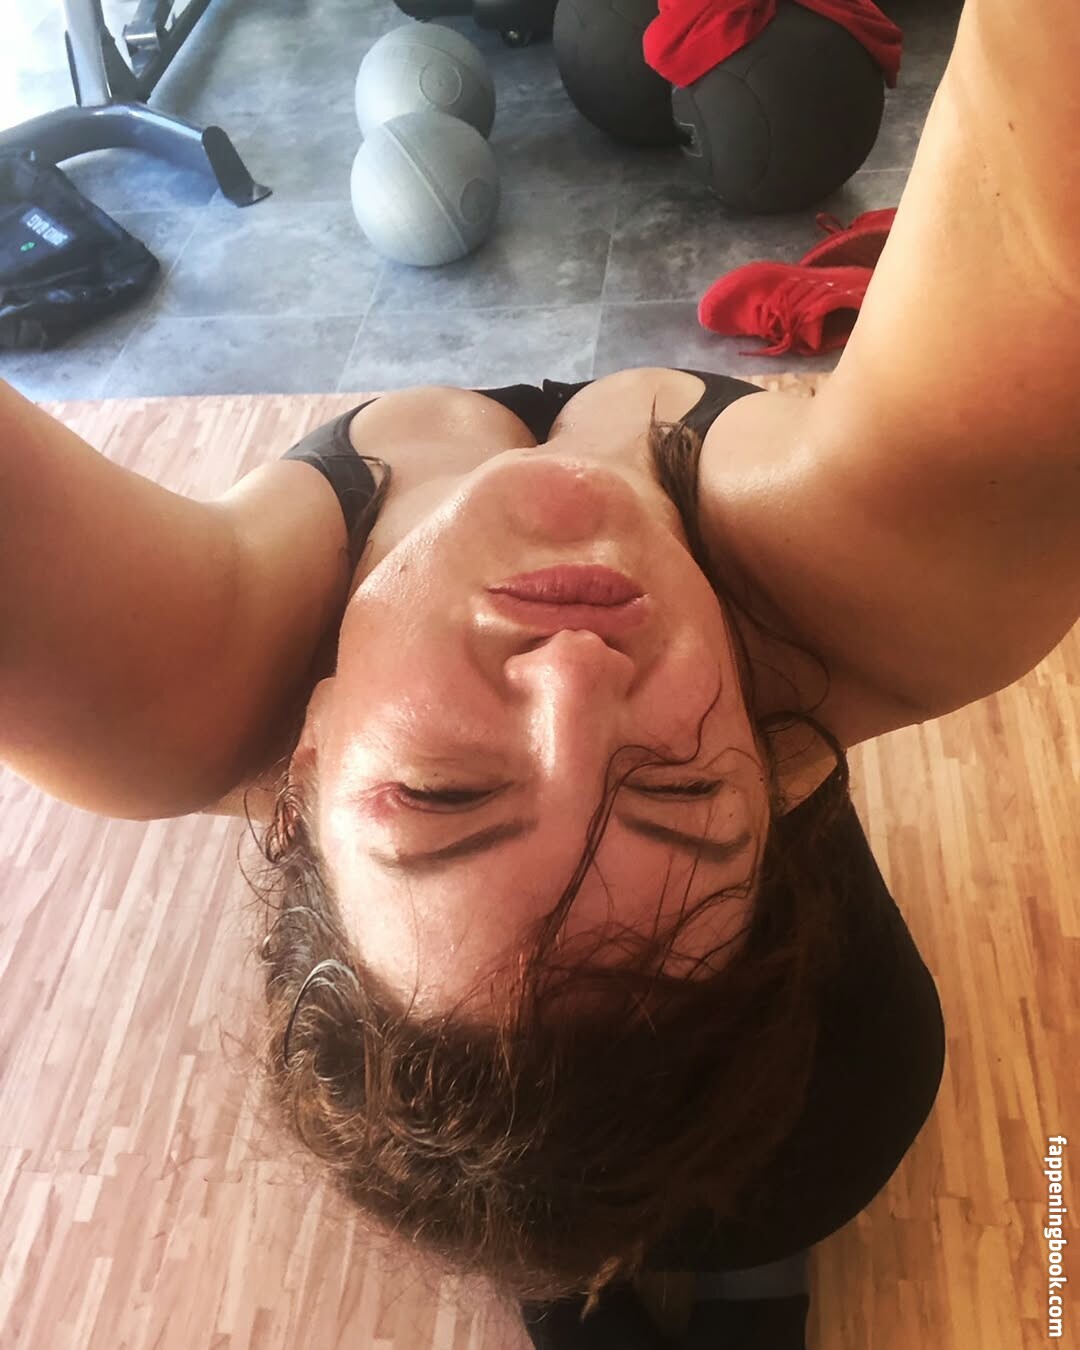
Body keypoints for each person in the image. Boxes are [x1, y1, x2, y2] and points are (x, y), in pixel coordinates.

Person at [1, 0, 1077, 1344]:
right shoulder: (892, 597)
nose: (574, 682)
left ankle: (634, 1264)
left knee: (640, 1200)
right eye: (680, 787)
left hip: (808, 1126)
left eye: (445, 795)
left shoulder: (174, 697)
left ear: (303, 771)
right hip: (835, 1074)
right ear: (774, 758)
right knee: (581, 1196)